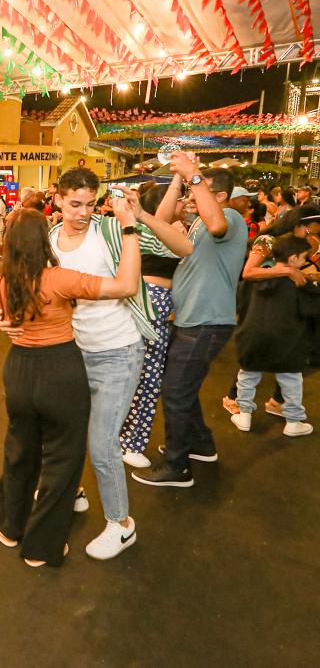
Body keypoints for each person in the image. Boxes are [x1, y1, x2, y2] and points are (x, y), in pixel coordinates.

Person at [37, 168, 191, 560]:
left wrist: (138, 217)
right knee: (66, 432)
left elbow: (183, 248)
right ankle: (74, 492)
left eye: (90, 204)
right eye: (75, 204)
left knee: (103, 444)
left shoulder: (110, 230)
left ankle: (121, 525)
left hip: (119, 352)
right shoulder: (50, 238)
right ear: (57, 199)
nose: (82, 212)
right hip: (74, 350)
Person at [0, 207, 141, 567]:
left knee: (21, 448)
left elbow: (12, 314)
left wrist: (1, 319)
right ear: (43, 241)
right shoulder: (59, 279)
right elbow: (127, 286)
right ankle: (41, 548)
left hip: (19, 371)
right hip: (60, 371)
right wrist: (129, 230)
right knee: (63, 457)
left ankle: (8, 525)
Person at [132, 156, 249, 488]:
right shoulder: (198, 222)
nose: (193, 194)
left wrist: (194, 174)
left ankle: (177, 465)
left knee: (175, 390)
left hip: (206, 321)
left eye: (201, 189)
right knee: (181, 387)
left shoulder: (229, 216)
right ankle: (200, 444)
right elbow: (160, 220)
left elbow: (218, 225)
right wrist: (177, 180)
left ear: (220, 196)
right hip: (192, 320)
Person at [118, 178, 192, 468]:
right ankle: (130, 443)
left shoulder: (159, 228)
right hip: (152, 302)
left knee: (138, 375)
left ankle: (124, 438)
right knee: (147, 377)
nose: (184, 204)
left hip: (150, 302)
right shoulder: (155, 228)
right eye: (179, 199)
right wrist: (178, 179)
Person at [231, 234, 318, 438]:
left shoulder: (254, 280)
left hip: (251, 336)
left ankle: (244, 415)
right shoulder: (298, 282)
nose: (305, 262)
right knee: (291, 378)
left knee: (248, 375)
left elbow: (240, 304)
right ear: (293, 258)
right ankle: (293, 421)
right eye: (304, 257)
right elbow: (313, 308)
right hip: (287, 341)